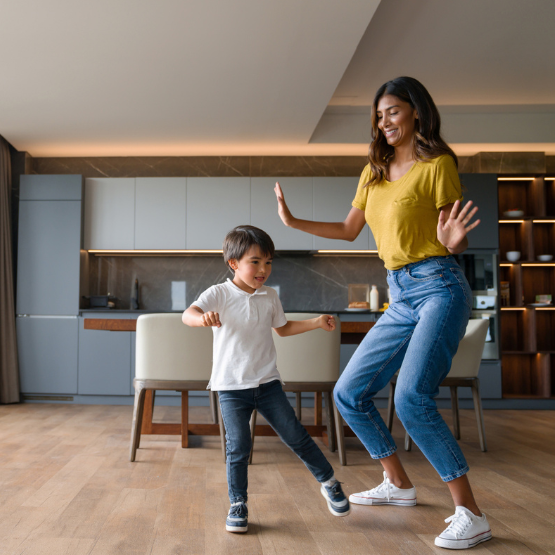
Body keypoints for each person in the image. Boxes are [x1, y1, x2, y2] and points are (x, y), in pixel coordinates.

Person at [274, 76, 492, 550]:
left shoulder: (438, 165)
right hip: (398, 292)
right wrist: (293, 223)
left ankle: (470, 513)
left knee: (412, 397)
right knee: (349, 393)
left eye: (392, 110)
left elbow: (453, 232)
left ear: (415, 111)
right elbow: (350, 229)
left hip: (439, 285)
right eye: (378, 114)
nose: (384, 121)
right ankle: (398, 483)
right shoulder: (373, 170)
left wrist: (458, 245)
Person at [182, 225, 350, 534]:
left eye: (268, 262)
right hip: (231, 388)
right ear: (233, 263)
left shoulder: (269, 296)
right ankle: (238, 504)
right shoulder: (219, 293)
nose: (263, 269)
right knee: (238, 447)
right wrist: (201, 318)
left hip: (267, 384)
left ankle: (329, 482)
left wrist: (315, 322)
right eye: (255, 261)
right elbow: (188, 313)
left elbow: (282, 329)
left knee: (296, 436)